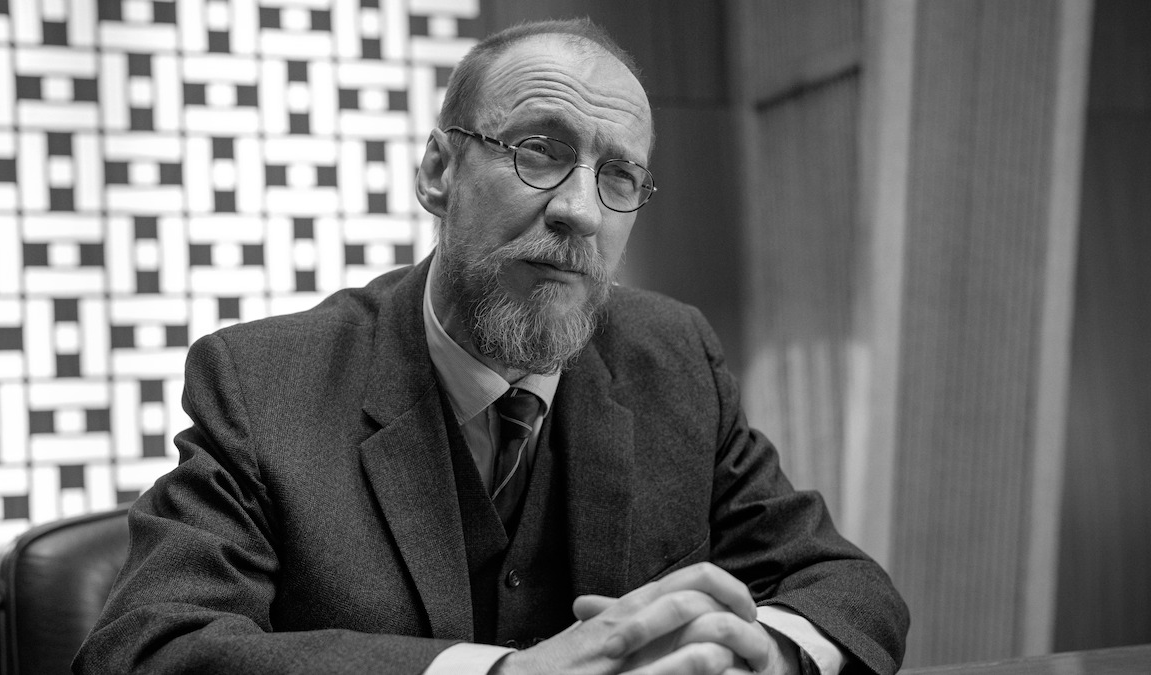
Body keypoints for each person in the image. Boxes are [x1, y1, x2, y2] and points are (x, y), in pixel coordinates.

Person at [74, 18, 908, 675]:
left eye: (618, 176)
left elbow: (848, 587)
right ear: (439, 170)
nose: (580, 210)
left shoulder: (673, 358)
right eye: (539, 150)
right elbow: (150, 649)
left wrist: (768, 654)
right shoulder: (263, 381)